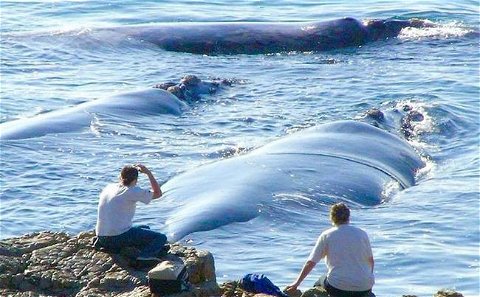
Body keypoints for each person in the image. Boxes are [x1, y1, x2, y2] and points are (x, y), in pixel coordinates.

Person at [285, 203, 375, 297]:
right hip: (365, 286)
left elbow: (311, 262)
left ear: (331, 217)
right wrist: (365, 280)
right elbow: (371, 261)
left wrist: (296, 283)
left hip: (339, 288)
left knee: (320, 282)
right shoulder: (362, 234)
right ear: (348, 217)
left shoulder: (327, 235)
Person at [94, 164, 167, 262]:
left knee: (144, 228)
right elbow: (158, 193)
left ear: (120, 176)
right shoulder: (132, 190)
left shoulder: (109, 187)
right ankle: (144, 257)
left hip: (101, 236)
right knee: (161, 237)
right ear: (136, 179)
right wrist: (148, 173)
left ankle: (112, 247)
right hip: (117, 237)